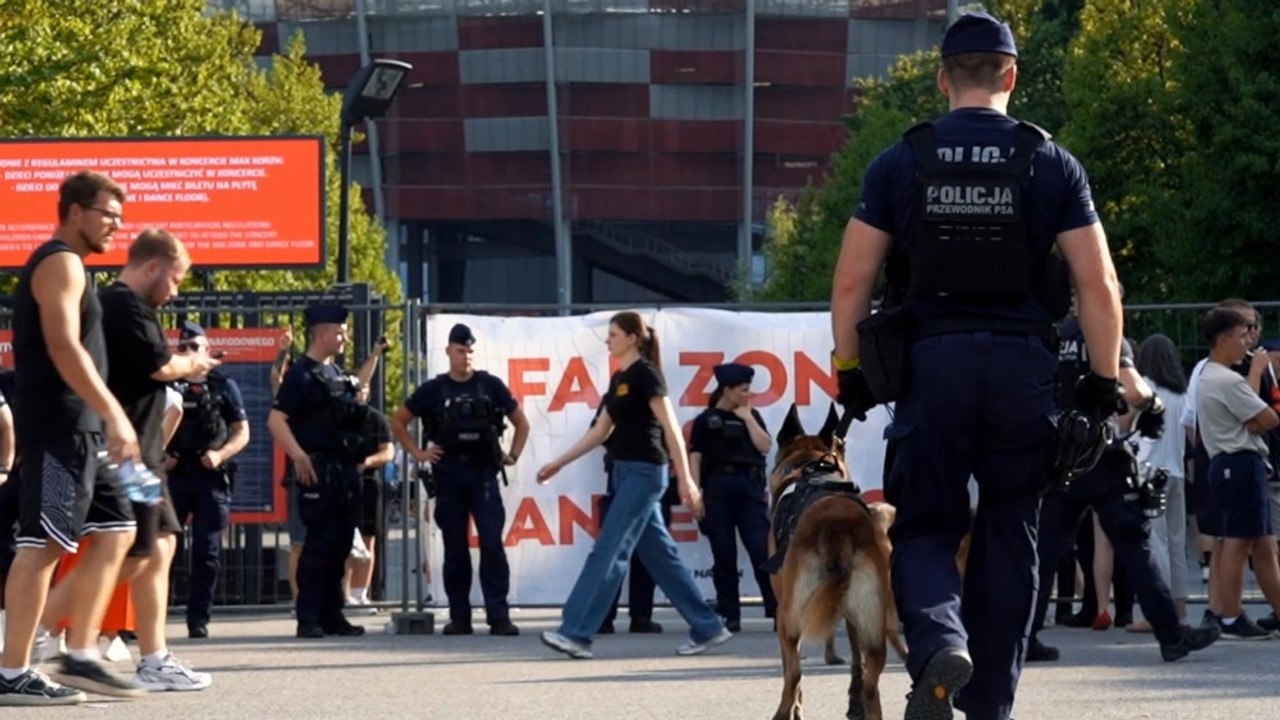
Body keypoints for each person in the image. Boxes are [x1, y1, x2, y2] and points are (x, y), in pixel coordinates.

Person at [827, 13, 1124, 720]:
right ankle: (989, 706)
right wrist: (1103, 385)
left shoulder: (901, 161)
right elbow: (1098, 284)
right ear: (1011, 75)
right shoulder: (1052, 162)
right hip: (1023, 370)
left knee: (925, 528)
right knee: (1011, 531)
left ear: (942, 79)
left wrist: (851, 370)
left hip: (933, 365)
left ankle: (939, 644)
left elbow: (852, 281)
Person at [0, 171, 142, 704]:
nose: (116, 226)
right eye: (108, 215)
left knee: (121, 528)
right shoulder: (59, 262)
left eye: (121, 219)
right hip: (60, 428)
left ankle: (79, 652)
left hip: (85, 433)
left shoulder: (76, 267)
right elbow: (63, 344)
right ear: (76, 212)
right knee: (43, 545)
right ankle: (12, 672)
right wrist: (113, 413)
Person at [535, 311, 732, 659]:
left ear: (632, 338)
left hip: (645, 472)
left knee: (608, 550)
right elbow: (600, 431)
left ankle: (576, 633)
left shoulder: (646, 375)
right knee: (661, 557)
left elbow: (671, 428)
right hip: (624, 472)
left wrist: (687, 479)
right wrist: (559, 462)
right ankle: (708, 626)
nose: (607, 340)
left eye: (613, 334)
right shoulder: (620, 379)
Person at [1026, 317, 1219, 663]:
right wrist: (1152, 406)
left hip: (1057, 454)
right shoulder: (1104, 328)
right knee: (1134, 544)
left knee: (1045, 552)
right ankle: (1172, 635)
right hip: (1099, 456)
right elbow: (1133, 391)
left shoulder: (1050, 334)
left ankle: (1023, 637)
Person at [390, 323, 529, 636]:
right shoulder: (434, 390)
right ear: (448, 352)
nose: (465, 356)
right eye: (460, 350)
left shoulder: (490, 386)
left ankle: (499, 616)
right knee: (455, 547)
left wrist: (513, 455)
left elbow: (521, 423)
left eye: (469, 351)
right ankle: (459, 617)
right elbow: (398, 420)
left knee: (491, 542)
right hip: (449, 475)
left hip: (483, 474)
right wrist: (418, 453)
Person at [267, 304, 369, 639]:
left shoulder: (337, 374)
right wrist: (298, 456)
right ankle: (308, 617)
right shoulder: (301, 375)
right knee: (317, 547)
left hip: (344, 470)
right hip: (317, 469)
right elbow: (276, 420)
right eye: (340, 332)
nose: (344, 338)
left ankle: (332, 615)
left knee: (340, 545)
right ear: (323, 333)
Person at [1195, 307, 1280, 638]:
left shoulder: (1210, 375)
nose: (1249, 342)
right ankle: (1230, 615)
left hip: (1233, 463)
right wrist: (1255, 417)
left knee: (1263, 545)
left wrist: (1253, 420)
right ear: (1223, 340)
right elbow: (1269, 418)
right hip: (1239, 462)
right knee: (1239, 542)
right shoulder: (1226, 379)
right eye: (1243, 335)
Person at [166, 321, 250, 639]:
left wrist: (220, 454)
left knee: (208, 551)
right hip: (174, 474)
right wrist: (162, 456)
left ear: (207, 350)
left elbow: (241, 432)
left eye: (195, 347)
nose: (189, 352)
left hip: (210, 475)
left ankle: (198, 619)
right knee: (162, 549)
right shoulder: (168, 385)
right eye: (183, 347)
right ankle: (151, 618)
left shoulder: (223, 386)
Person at [688, 362, 777, 632]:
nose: (748, 394)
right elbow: (695, 457)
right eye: (743, 390)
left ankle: (777, 609)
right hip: (717, 488)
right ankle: (730, 614)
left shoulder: (752, 415)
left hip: (749, 488)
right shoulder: (705, 420)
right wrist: (695, 492)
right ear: (727, 390)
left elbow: (765, 446)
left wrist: (747, 417)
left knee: (761, 549)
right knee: (723, 553)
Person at [345, 377, 395, 610]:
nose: (359, 393)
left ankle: (361, 593)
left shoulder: (376, 419)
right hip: (343, 483)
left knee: (368, 539)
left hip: (369, 483)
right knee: (343, 539)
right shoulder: (339, 416)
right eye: (355, 389)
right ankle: (344, 594)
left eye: (363, 388)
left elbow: (388, 452)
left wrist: (366, 462)